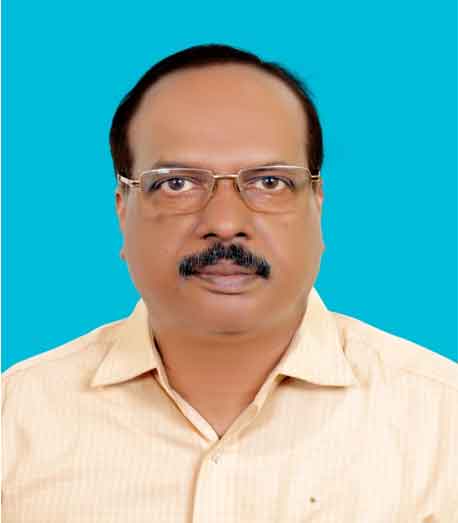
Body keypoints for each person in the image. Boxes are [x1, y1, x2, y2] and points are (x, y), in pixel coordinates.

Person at [2, 44, 457, 523]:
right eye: (177, 183)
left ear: (318, 202)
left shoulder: (442, 424)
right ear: (122, 208)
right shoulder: (15, 420)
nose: (224, 223)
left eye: (269, 182)